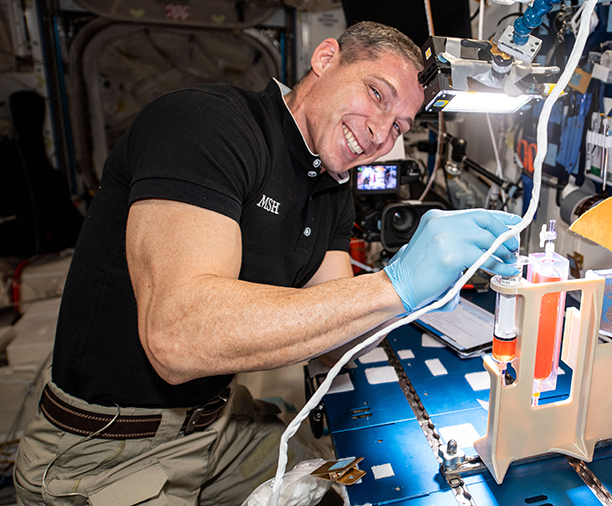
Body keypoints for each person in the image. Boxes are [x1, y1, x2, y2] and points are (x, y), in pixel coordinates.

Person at [14, 21, 520, 505]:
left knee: (341, 480)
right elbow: (176, 337)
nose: (379, 135)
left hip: (220, 423)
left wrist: (424, 288)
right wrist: (394, 286)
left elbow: (332, 348)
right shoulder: (207, 124)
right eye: (376, 94)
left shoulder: (331, 187)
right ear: (326, 59)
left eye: (399, 126)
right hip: (108, 446)